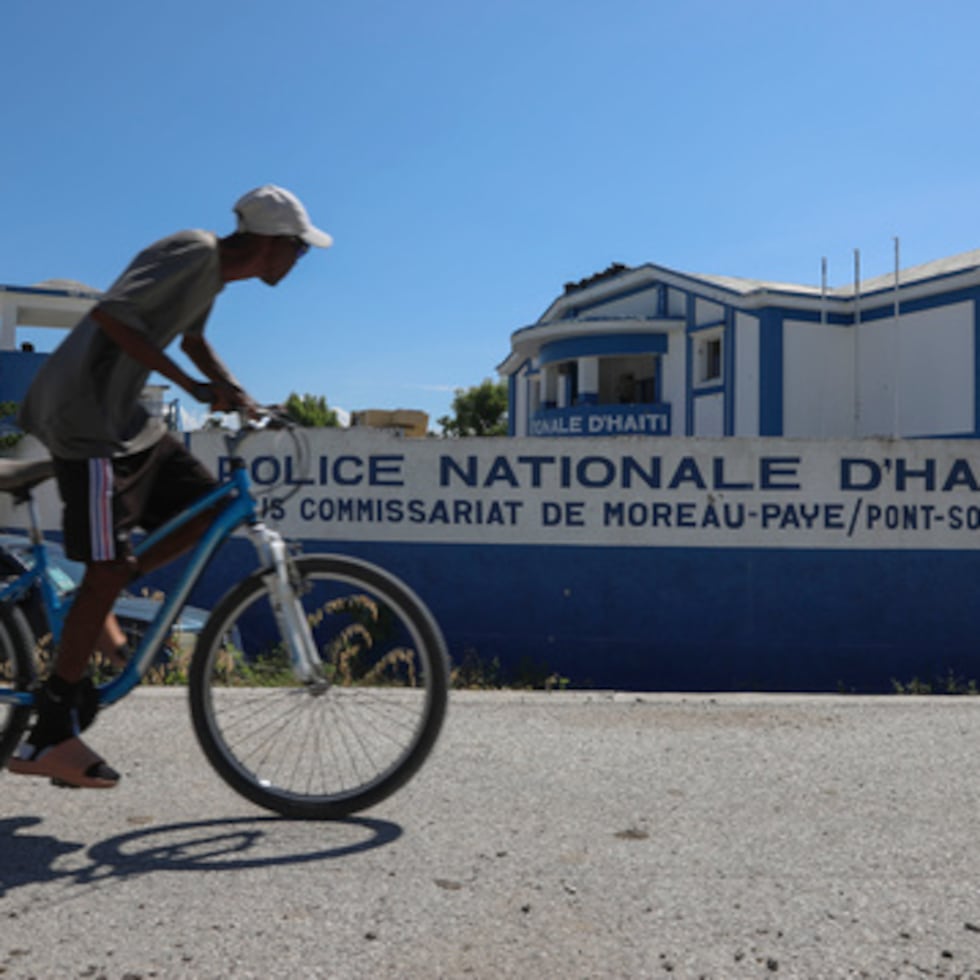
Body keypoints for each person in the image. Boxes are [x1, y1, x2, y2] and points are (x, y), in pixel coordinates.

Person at [9, 185, 332, 789]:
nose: (300, 259)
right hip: (86, 417)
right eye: (299, 248)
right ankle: (49, 732)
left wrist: (238, 394)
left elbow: (193, 341)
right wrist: (191, 387)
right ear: (271, 242)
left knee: (209, 510)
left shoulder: (211, 278)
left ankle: (103, 594)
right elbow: (111, 316)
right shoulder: (193, 250)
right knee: (106, 567)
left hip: (128, 420)